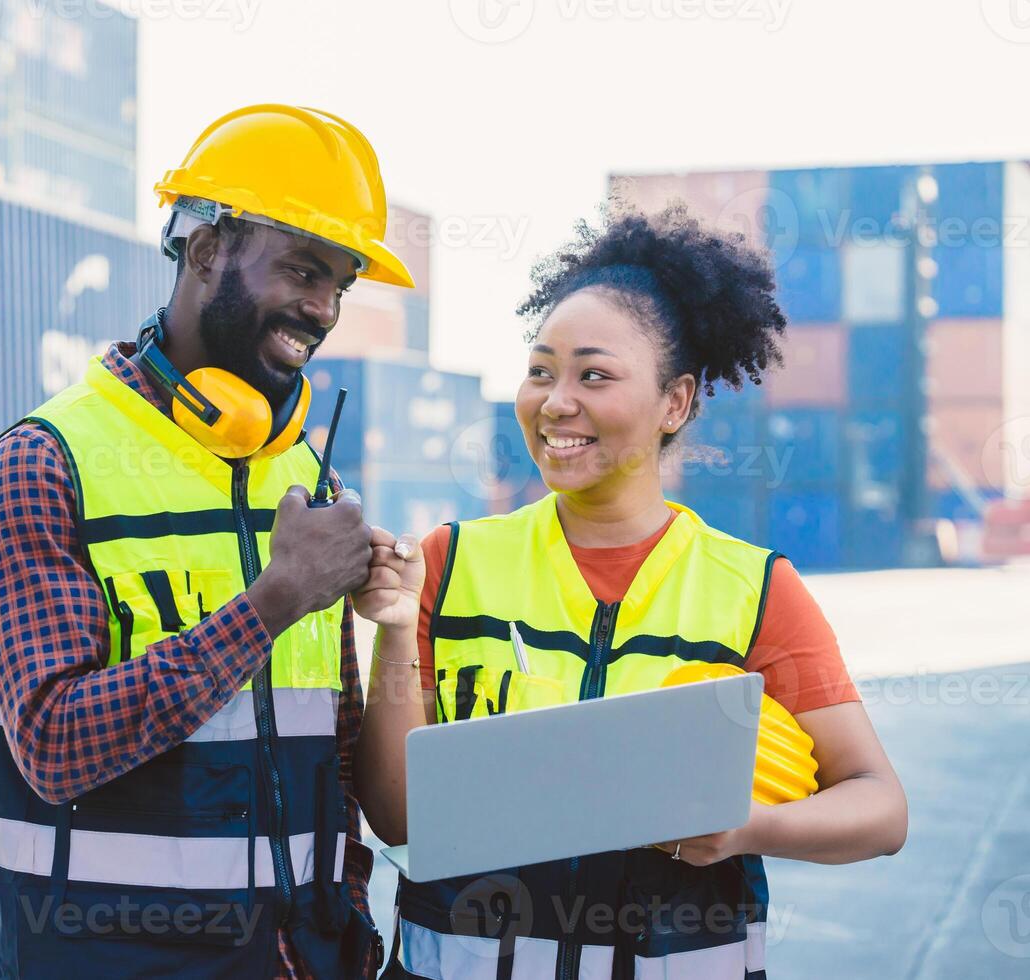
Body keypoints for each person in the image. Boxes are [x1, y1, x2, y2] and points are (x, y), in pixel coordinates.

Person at [352, 206, 909, 978]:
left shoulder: (752, 588)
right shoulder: (450, 564)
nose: (555, 401)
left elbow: (879, 807)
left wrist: (745, 829)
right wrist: (387, 630)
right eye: (540, 369)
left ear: (674, 403)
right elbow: (396, 815)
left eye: (594, 375)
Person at [0, 104, 415, 979]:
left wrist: (350, 919)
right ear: (207, 250)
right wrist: (272, 602)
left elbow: (339, 761)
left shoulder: (303, 478)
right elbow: (56, 744)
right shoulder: (44, 464)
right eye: (303, 269)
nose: (322, 309)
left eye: (341, 283)